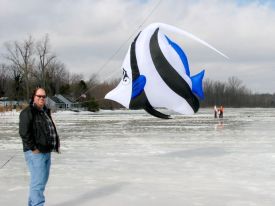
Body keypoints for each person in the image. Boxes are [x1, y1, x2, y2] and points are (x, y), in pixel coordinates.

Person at [19, 87, 60, 206]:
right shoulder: (28, 112)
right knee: (38, 184)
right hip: (36, 153)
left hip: (46, 151)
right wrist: (33, 148)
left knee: (40, 182)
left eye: (43, 96)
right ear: (34, 97)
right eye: (39, 96)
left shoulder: (44, 112)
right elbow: (24, 132)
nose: (42, 98)